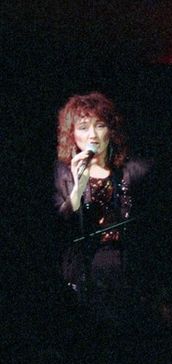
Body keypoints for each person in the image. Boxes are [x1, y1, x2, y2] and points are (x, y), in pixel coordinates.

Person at [53, 91, 151, 324]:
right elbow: (60, 225)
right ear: (72, 134)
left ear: (111, 131)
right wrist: (79, 186)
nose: (92, 135)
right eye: (84, 127)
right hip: (86, 269)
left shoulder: (131, 171)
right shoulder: (63, 173)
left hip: (126, 267)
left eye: (100, 125)